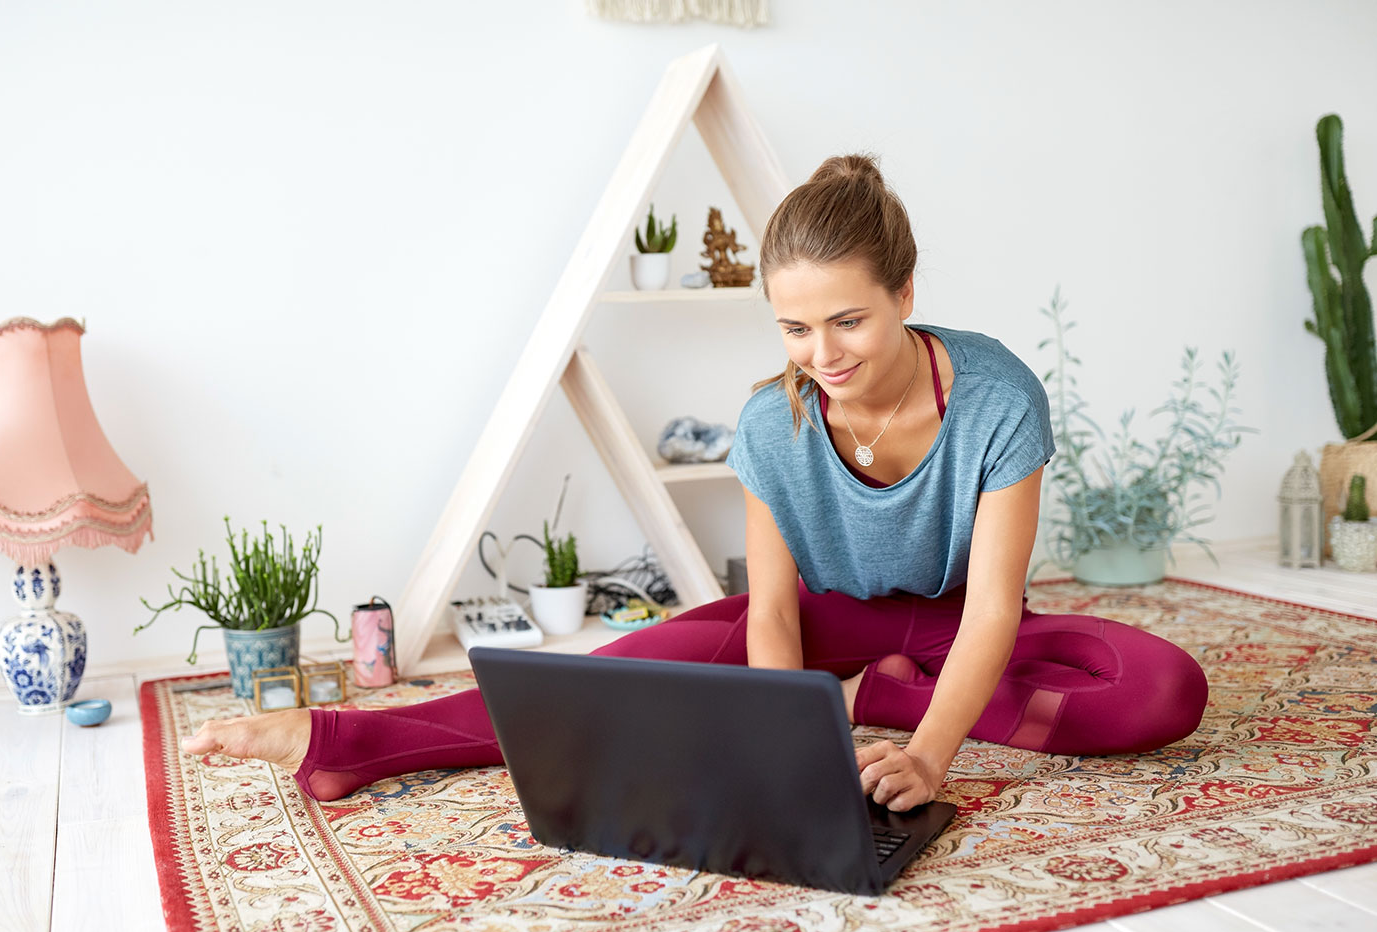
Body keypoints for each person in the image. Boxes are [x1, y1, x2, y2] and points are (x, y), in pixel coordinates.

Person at [182, 153, 1209, 812]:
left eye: (849, 319)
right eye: (796, 326)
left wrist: (932, 752)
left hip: (958, 630)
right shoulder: (773, 422)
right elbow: (770, 605)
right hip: (821, 624)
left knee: (1164, 688)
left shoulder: (998, 399)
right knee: (609, 682)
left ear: (904, 293)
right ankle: (346, 740)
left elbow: (992, 608)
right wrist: (783, 734)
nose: (825, 352)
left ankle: (885, 704)